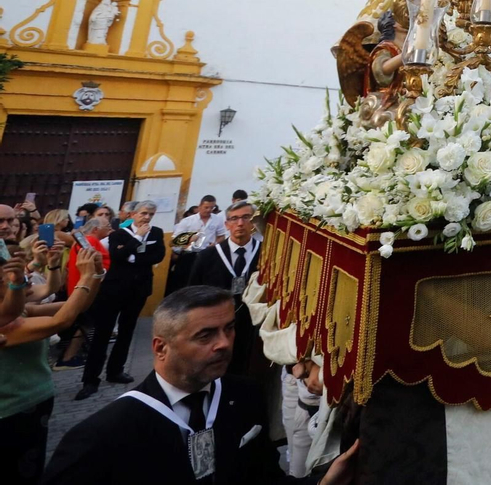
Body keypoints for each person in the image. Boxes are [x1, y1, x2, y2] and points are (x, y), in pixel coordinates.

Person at [42, 285, 359, 485]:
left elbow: (264, 477)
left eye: (229, 329)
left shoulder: (243, 395)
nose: (224, 344)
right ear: (161, 348)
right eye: (205, 335)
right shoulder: (103, 434)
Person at [0, 243, 103, 485]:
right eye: (5, 278)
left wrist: (96, 274)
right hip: (12, 413)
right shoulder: (6, 325)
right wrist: (86, 276)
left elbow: (78, 306)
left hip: (32, 404)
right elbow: (61, 321)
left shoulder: (20, 311)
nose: (20, 280)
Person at [77, 199, 166, 399]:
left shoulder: (156, 232)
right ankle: (90, 379)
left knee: (127, 330)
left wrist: (132, 258)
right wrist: (137, 237)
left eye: (151, 214)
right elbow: (117, 256)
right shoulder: (118, 234)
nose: (147, 217)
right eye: (143, 213)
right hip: (114, 289)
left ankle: (116, 370)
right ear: (133, 215)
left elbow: (158, 255)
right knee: (102, 333)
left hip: (139, 289)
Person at [186, 201, 262, 375]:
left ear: (253, 223)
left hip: (252, 326)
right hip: (215, 325)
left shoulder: (265, 253)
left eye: (246, 217)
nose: (240, 223)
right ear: (227, 224)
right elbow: (193, 292)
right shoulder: (208, 256)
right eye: (234, 219)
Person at [169, 195, 226, 289]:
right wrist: (189, 239)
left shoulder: (217, 220)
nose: (209, 210)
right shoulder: (188, 221)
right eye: (206, 207)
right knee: (185, 282)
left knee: (204, 281)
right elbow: (173, 241)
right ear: (199, 206)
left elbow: (222, 236)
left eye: (211, 208)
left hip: (208, 254)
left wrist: (215, 244)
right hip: (189, 255)